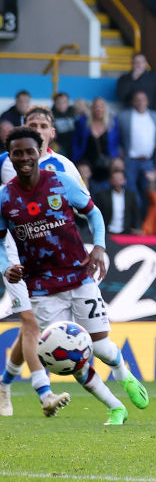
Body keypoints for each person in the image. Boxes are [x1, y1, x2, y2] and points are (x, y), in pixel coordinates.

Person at [0, 128, 149, 425]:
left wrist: (99, 248)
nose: (25, 157)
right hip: (41, 287)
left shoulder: (61, 182)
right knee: (68, 357)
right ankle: (115, 407)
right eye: (18, 153)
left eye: (29, 151)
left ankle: (124, 374)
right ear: (11, 157)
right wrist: (6, 266)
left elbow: (93, 214)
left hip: (79, 277)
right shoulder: (5, 197)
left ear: (40, 151)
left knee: (102, 347)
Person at [0, 107, 87, 417]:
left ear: (51, 132)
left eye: (42, 124)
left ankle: (4, 383)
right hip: (15, 256)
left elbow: (82, 204)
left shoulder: (63, 167)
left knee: (30, 327)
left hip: (52, 260)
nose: (37, 127)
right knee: (30, 322)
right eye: (31, 123)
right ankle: (45, 393)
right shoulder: (6, 162)